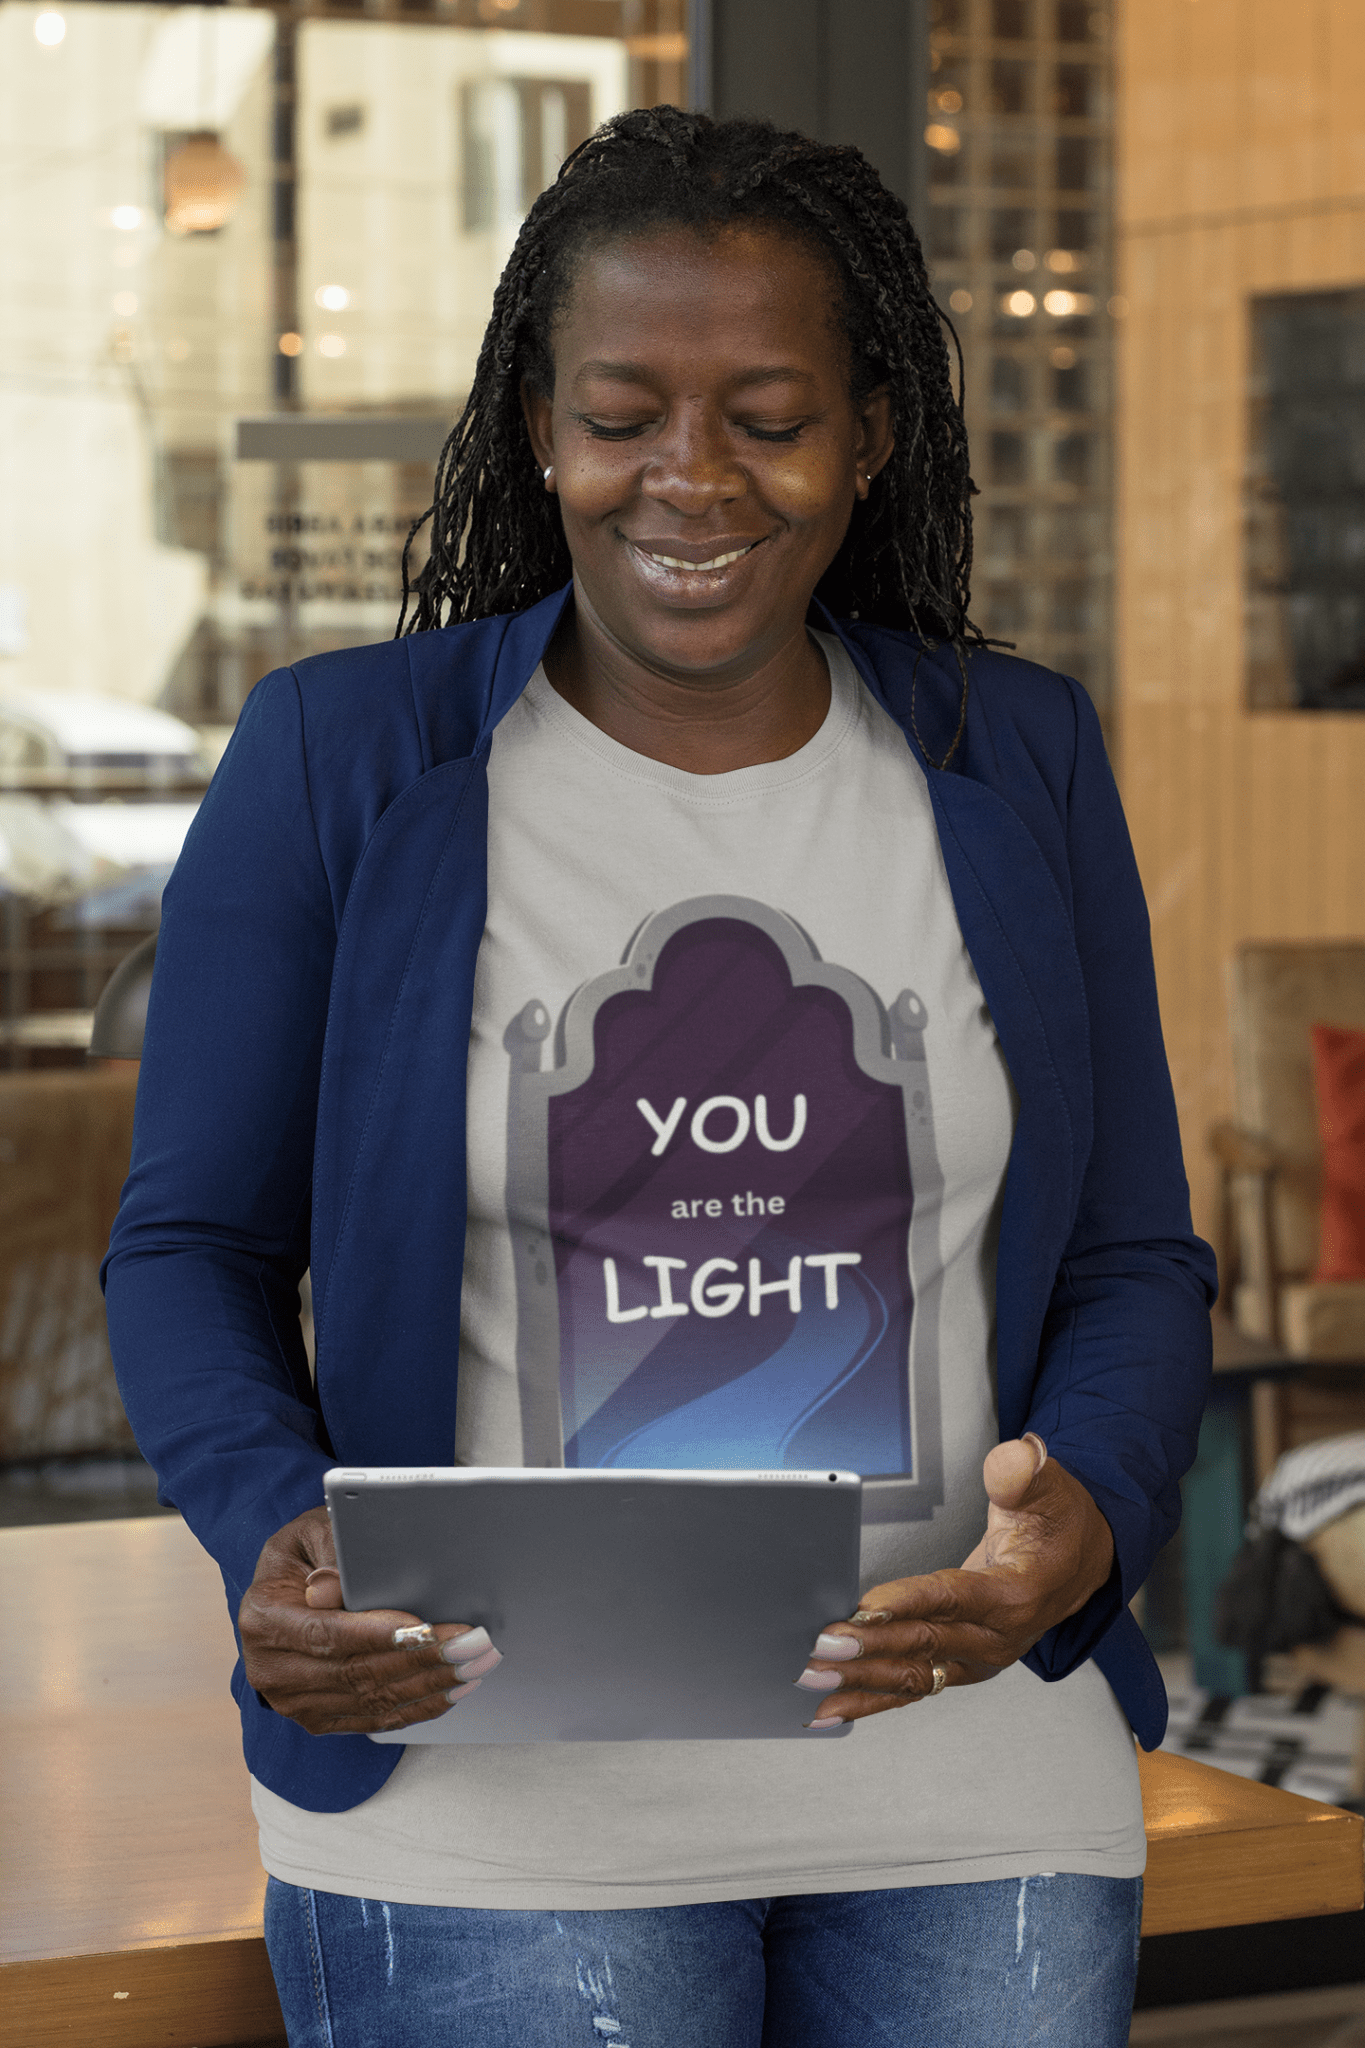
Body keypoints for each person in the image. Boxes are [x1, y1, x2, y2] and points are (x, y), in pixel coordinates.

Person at [104, 108, 1215, 2046]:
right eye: (621, 411)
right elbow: (189, 1242)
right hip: (481, 1804)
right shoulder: (337, 768)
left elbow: (1132, 1256)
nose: (686, 477)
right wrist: (273, 1520)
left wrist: (1092, 1518)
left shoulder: (1014, 760)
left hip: (967, 1788)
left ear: (868, 437)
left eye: (766, 413)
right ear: (538, 427)